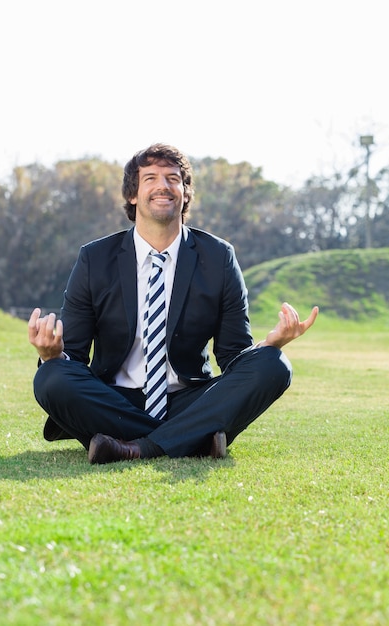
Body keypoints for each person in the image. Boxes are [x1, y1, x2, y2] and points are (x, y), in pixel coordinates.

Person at [28, 143, 318, 464]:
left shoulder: (219, 257)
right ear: (133, 195)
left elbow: (233, 355)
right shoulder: (95, 258)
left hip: (189, 398)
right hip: (114, 401)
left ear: (185, 193)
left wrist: (269, 345)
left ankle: (135, 447)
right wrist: (51, 355)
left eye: (173, 178)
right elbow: (75, 357)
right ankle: (192, 438)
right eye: (150, 178)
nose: (163, 185)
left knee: (274, 364)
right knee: (51, 377)